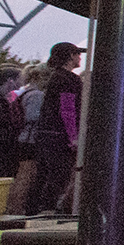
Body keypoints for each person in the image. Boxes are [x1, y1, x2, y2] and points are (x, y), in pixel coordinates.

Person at [29, 43, 87, 213]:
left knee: (43, 174)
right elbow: (67, 108)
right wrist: (73, 136)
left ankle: (35, 209)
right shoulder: (69, 79)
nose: (79, 57)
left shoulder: (55, 77)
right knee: (59, 174)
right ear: (70, 56)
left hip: (46, 133)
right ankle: (47, 209)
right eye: (77, 54)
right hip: (59, 135)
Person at [5, 65, 49, 214]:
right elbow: (33, 117)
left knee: (20, 174)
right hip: (30, 139)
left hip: (20, 137)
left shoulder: (20, 92)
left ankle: (12, 206)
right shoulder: (37, 94)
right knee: (27, 174)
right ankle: (17, 207)